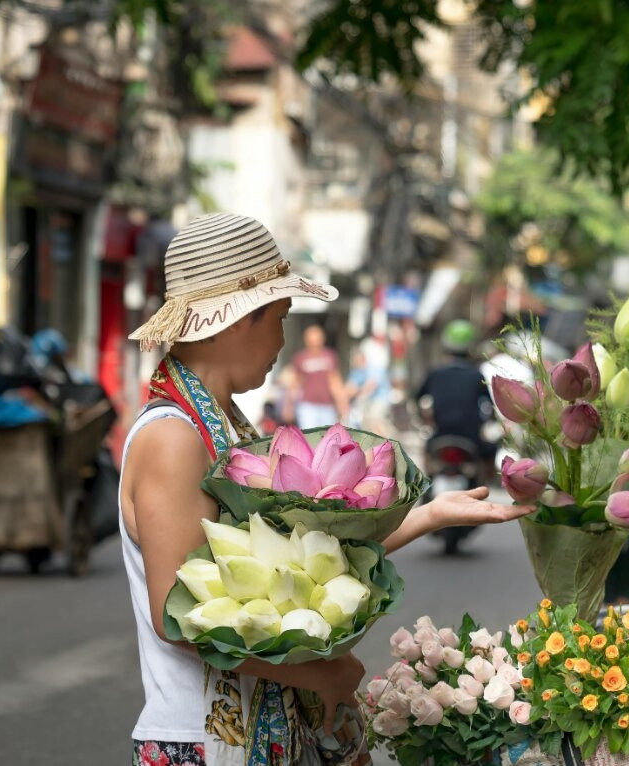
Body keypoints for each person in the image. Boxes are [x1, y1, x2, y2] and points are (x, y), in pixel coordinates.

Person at [121, 213, 531, 766]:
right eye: (280, 318)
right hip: (206, 740)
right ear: (240, 318)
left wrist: (431, 516)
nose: (283, 339)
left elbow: (298, 575)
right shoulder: (173, 436)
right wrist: (324, 672)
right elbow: (179, 618)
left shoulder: (225, 426)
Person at [415, 320, 496, 465]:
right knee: (491, 451)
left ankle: (426, 485)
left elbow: (417, 398)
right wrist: (486, 422)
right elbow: (489, 406)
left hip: (440, 434)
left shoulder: (435, 374)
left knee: (426, 457)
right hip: (471, 438)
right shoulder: (476, 376)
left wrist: (426, 420)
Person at [284, 325, 349, 429]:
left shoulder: (330, 356)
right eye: (311, 340)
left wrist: (342, 403)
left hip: (327, 406)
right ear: (306, 340)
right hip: (307, 406)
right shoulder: (301, 358)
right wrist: (288, 405)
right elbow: (295, 382)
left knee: (326, 439)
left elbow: (335, 381)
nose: (314, 343)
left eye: (317, 340)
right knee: (310, 439)